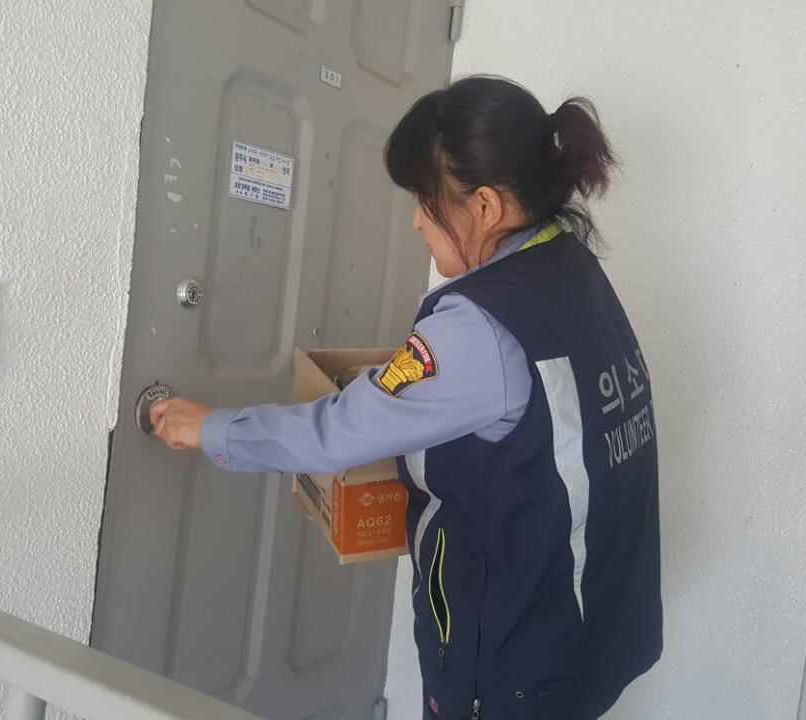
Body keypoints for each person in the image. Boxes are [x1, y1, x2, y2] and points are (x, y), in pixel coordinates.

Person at [150, 76, 661, 720]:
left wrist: (210, 428)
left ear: (485, 207)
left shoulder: (478, 327)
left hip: (511, 665)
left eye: (424, 199)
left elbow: (338, 433)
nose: (417, 220)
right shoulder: (571, 268)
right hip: (592, 631)